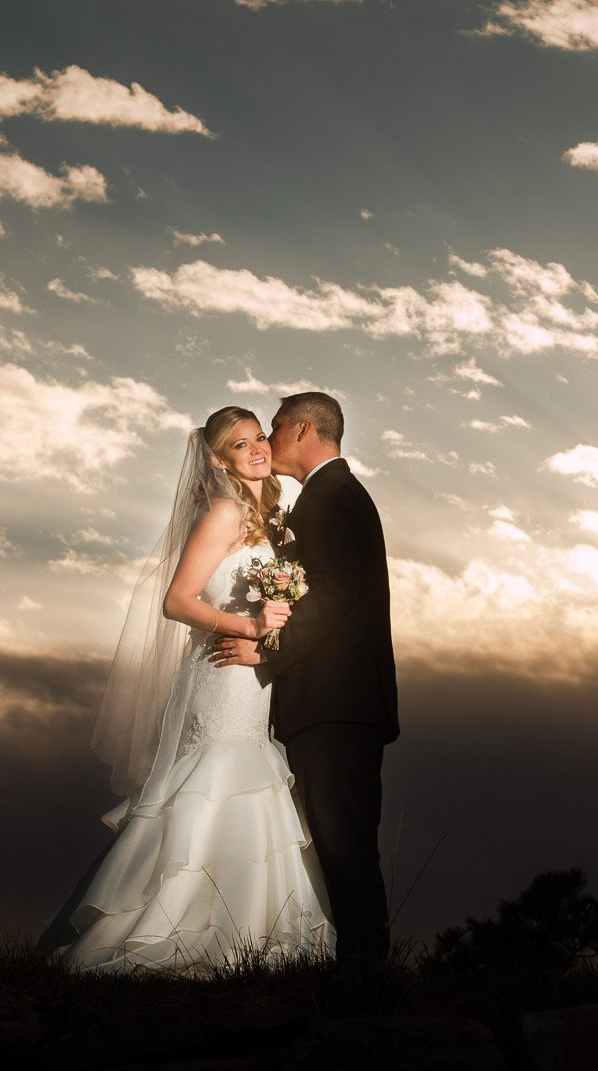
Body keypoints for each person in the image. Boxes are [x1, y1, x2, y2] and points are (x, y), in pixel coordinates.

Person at [47, 406, 335, 973]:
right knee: (216, 781)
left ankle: (246, 930)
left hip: (255, 681)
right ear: (217, 459)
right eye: (238, 445)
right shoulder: (224, 513)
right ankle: (181, 928)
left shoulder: (269, 520)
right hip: (223, 675)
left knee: (247, 780)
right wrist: (251, 626)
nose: (255, 449)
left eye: (258, 438)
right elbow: (177, 600)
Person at [212, 392, 398, 962]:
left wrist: (270, 651)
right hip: (333, 702)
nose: (266, 441)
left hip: (335, 702)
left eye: (271, 428)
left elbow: (334, 591)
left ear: (302, 428)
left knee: (345, 845)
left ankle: (364, 979)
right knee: (340, 843)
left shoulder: (331, 497)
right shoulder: (326, 496)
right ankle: (357, 971)